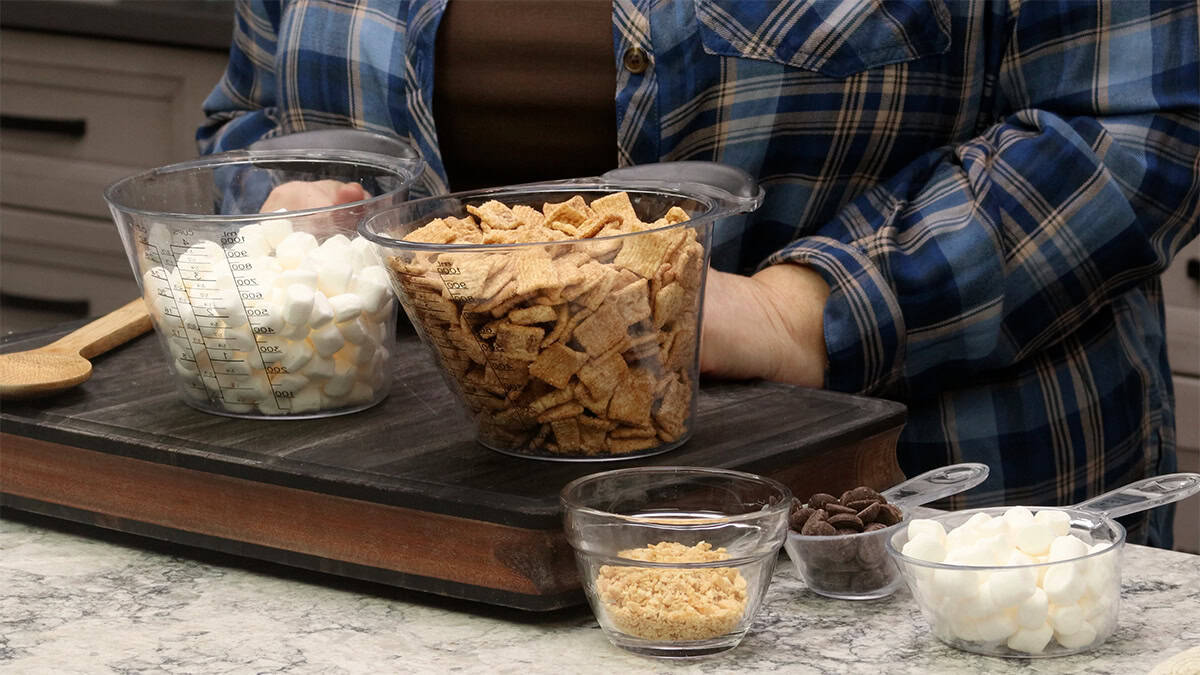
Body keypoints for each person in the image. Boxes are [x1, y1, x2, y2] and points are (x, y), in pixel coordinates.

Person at [198, 0, 1200, 547]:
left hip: (908, 526)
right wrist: (290, 218)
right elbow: (253, 116)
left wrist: (796, 313)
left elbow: (1135, 133)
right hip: (428, 516)